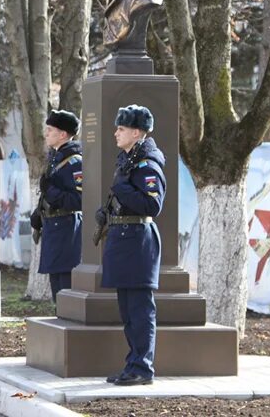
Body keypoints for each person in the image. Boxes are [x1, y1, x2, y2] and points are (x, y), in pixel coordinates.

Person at [100, 105, 166, 386]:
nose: (116, 133)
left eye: (122, 128)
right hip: (123, 240)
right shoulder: (127, 160)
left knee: (140, 310)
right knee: (128, 311)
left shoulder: (147, 164)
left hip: (138, 241)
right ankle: (133, 364)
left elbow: (153, 204)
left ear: (136, 132)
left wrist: (122, 189)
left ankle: (142, 368)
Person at [31, 110, 83, 301]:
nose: (46, 133)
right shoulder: (56, 158)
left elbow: (79, 200)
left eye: (50, 130)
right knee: (57, 289)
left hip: (67, 230)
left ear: (63, 134)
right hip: (54, 228)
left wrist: (50, 191)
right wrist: (39, 213)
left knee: (65, 288)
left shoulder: (74, 162)